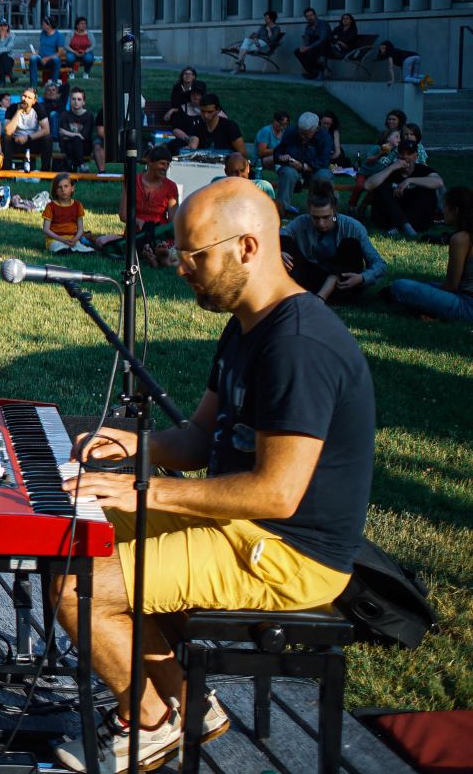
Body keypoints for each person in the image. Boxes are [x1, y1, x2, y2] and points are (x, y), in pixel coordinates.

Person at [52, 178, 374, 771]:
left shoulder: (299, 346)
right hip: (244, 522)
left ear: (247, 247)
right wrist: (135, 447)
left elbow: (277, 494)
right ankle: (188, 700)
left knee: (82, 588)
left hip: (288, 552)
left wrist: (140, 487)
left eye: (195, 255)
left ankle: (150, 722)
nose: (181, 268)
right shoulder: (248, 325)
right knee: (71, 523)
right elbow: (200, 438)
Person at [281, 183, 386, 304]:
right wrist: (278, 251)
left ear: (334, 211)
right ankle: (295, 292)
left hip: (342, 285)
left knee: (350, 244)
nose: (321, 223)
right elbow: (276, 237)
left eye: (326, 217)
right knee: (282, 241)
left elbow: (379, 264)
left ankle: (321, 297)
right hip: (311, 278)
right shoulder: (302, 222)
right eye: (315, 218)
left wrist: (362, 278)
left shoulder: (352, 227)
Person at [386, 187, 473, 322]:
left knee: (400, 286)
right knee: (427, 286)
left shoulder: (461, 239)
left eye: (445, 206)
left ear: (456, 210)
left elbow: (451, 286)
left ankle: (431, 312)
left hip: (467, 306)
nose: (442, 211)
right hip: (465, 297)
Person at [96, 144, 179, 262]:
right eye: (162, 163)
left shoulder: (171, 186)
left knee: (166, 246)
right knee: (101, 242)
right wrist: (138, 221)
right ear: (150, 162)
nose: (165, 168)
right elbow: (123, 215)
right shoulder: (132, 181)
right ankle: (149, 253)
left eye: (167, 164)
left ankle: (150, 252)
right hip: (135, 233)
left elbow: (173, 220)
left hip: (158, 233)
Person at [365, 140, 444, 236]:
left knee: (426, 189)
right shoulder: (391, 170)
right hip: (396, 211)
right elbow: (368, 185)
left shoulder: (423, 170)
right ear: (398, 155)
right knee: (382, 188)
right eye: (402, 154)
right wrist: (391, 168)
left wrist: (409, 180)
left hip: (417, 216)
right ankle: (405, 226)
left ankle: (400, 226)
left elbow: (439, 182)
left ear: (415, 156)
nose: (405, 157)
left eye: (409, 154)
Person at [272, 111, 334, 215]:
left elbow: (323, 161)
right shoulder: (291, 132)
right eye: (300, 132)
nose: (302, 136)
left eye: (306, 134)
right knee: (287, 172)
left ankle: (322, 209)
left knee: (324, 176)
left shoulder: (325, 137)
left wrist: (303, 166)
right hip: (293, 168)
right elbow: (277, 152)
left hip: (315, 170)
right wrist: (281, 157)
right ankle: (282, 209)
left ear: (316, 129)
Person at [57, 87, 106, 173]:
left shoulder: (89, 116)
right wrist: (76, 135)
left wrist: (68, 133)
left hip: (84, 147)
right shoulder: (65, 115)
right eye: (73, 99)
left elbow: (84, 136)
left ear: (84, 102)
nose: (76, 102)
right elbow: (62, 134)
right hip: (68, 146)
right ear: (70, 101)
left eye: (79, 99)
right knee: (75, 140)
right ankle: (81, 166)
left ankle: (78, 167)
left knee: (76, 140)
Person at [42, 172, 92, 252]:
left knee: (85, 250)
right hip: (55, 239)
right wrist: (61, 239)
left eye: (66, 186)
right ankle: (65, 250)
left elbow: (80, 229)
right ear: (55, 190)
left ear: (72, 188)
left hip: (72, 239)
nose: (63, 190)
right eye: (59, 187)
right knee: (58, 247)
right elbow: (46, 229)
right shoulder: (50, 206)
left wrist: (75, 239)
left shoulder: (77, 205)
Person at [4, 86, 51, 171]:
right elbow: (8, 131)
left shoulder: (39, 108)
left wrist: (27, 138)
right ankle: (6, 171)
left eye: (29, 98)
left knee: (47, 138)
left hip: (33, 141)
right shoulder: (12, 108)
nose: (25, 99)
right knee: (5, 138)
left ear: (34, 101)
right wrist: (18, 112)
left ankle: (45, 172)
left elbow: (46, 130)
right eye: (24, 96)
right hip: (16, 141)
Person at [293, 7, 332, 78]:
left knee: (318, 46)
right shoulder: (308, 27)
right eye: (307, 16)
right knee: (297, 51)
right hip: (313, 47)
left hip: (326, 46)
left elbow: (322, 39)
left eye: (311, 15)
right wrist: (304, 47)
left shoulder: (323, 24)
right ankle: (313, 71)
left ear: (315, 15)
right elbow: (306, 39)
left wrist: (308, 47)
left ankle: (318, 71)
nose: (309, 18)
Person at [253, 110, 289, 175]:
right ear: (275, 121)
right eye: (281, 124)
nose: (284, 127)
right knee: (279, 158)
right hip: (261, 161)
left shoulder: (283, 132)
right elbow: (261, 152)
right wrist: (279, 150)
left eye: (286, 124)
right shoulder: (266, 131)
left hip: (278, 157)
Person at [33, 18, 62, 84]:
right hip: (41, 58)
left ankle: (54, 83)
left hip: (51, 60)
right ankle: (33, 84)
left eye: (43, 24)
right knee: (33, 58)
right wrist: (37, 53)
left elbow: (60, 52)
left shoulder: (58, 36)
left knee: (56, 60)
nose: (42, 26)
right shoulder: (43, 34)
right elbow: (42, 48)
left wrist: (47, 58)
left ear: (49, 25)